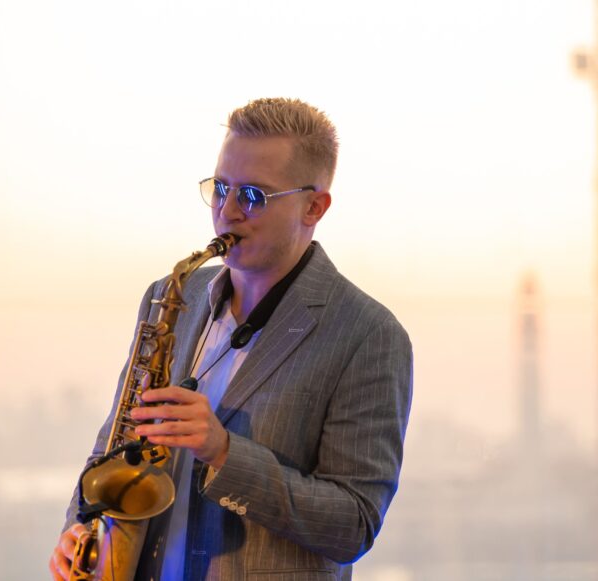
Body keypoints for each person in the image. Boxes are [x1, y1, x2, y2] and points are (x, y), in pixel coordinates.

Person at [50, 97, 413, 580]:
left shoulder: (369, 335)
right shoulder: (169, 297)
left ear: (314, 207)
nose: (227, 211)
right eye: (220, 188)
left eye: (253, 196)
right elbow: (112, 447)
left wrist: (224, 451)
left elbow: (353, 525)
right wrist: (81, 526)